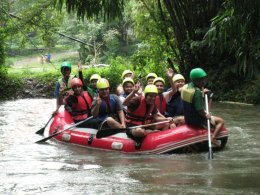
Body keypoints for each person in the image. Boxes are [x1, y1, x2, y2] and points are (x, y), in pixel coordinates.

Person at [181, 68, 224, 146]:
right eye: (200, 80)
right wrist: (206, 115)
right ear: (195, 80)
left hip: (188, 118)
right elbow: (200, 110)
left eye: (203, 79)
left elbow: (192, 97)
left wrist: (201, 92)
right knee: (221, 121)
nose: (203, 82)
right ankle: (213, 138)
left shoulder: (185, 87)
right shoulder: (197, 92)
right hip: (196, 120)